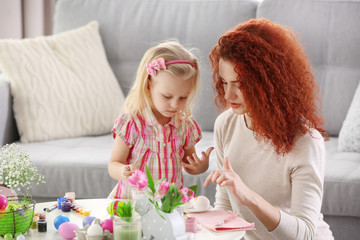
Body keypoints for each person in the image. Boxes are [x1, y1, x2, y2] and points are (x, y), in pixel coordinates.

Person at [204, 19, 334, 239]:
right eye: (225, 83)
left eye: (240, 84)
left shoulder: (305, 141)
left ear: (268, 83)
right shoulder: (225, 125)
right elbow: (225, 204)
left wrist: (248, 197)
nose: (228, 95)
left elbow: (305, 233)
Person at [108, 41, 213, 199]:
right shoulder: (132, 123)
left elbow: (188, 164)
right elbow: (114, 164)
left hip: (168, 206)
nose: (175, 104)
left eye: (183, 97)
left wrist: (200, 167)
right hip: (133, 204)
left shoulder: (184, 125)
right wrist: (123, 171)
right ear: (149, 86)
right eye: (167, 96)